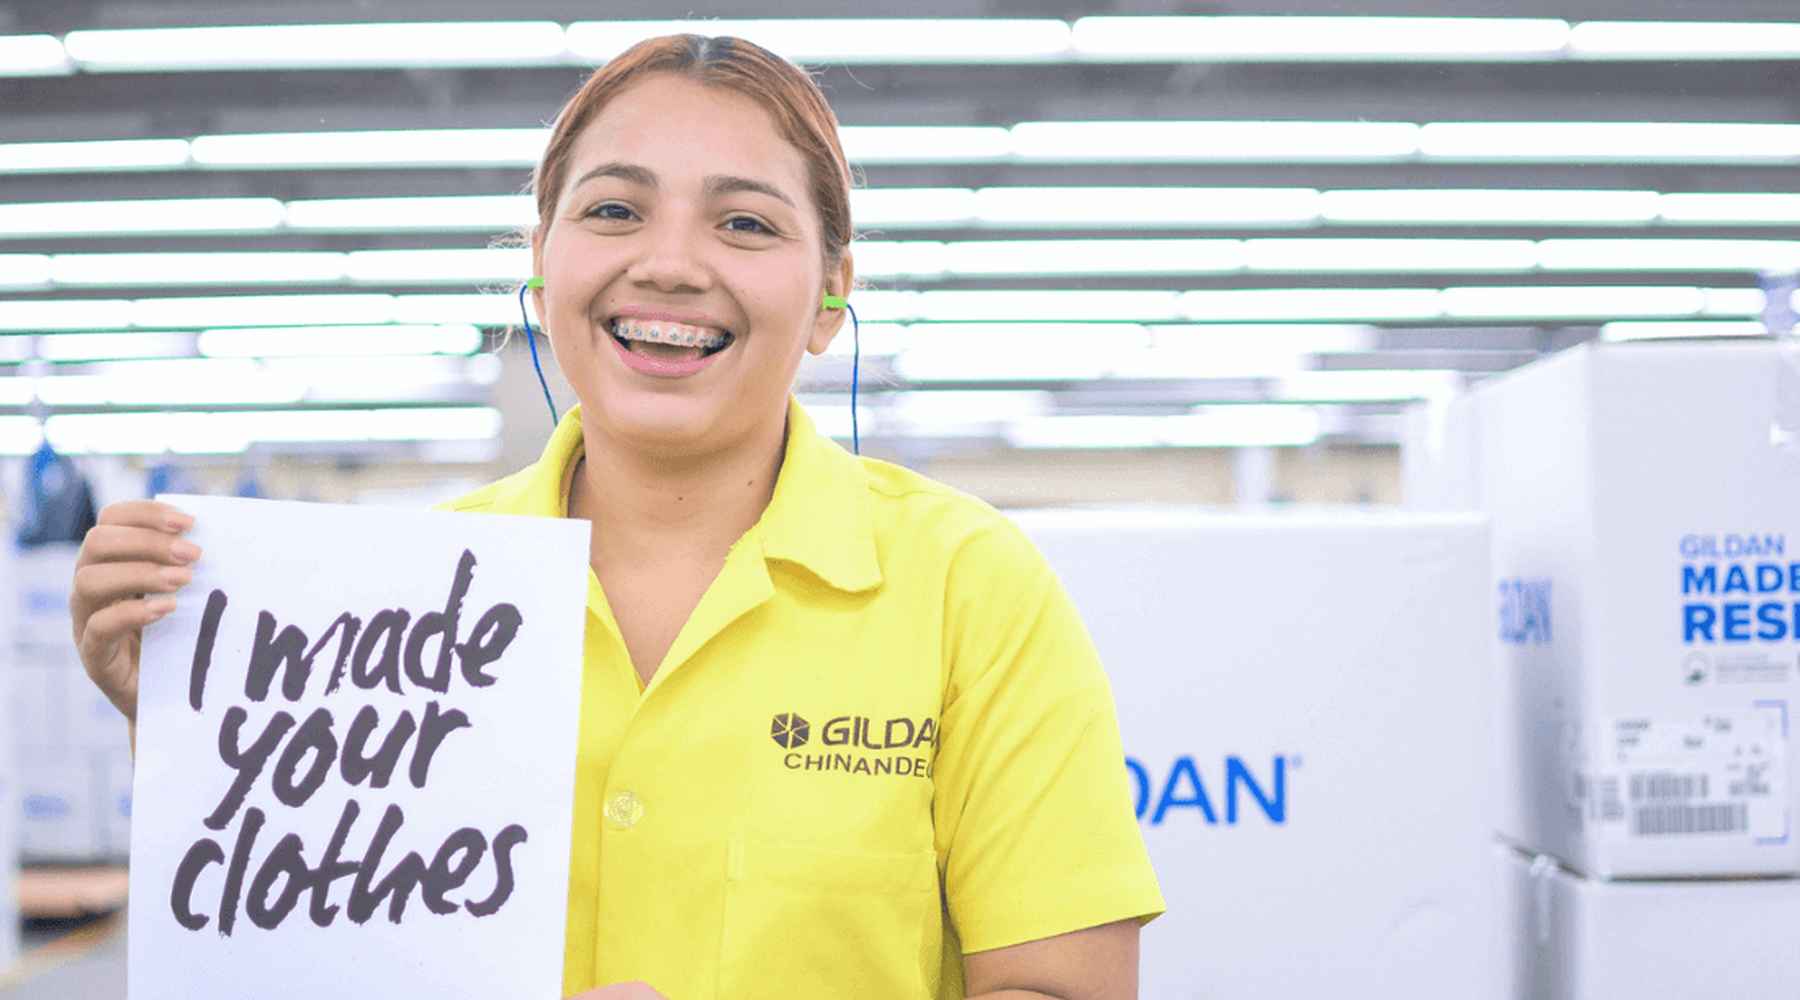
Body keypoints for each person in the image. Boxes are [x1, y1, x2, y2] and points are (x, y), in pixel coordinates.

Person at [70, 34, 1164, 1000]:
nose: (672, 264)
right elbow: (300, 960)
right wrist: (204, 725)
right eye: (613, 211)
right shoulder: (376, 598)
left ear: (833, 293)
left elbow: (1064, 990)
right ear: (542, 271)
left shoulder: (966, 585)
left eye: (744, 222)